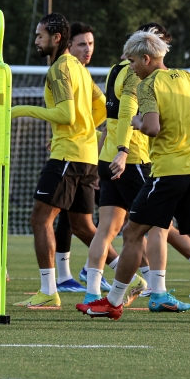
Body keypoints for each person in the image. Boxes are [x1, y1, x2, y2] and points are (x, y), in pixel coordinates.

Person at [77, 29, 190, 321]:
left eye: (133, 61)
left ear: (147, 58)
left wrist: (135, 121)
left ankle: (113, 301)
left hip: (169, 171)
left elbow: (152, 128)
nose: (131, 67)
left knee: (133, 232)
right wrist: (184, 110)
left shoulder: (148, 86)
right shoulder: (188, 78)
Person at [12, 13, 106, 308]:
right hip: (87, 155)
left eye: (40, 36)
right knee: (82, 226)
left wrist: (21, 109)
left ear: (56, 39)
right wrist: (85, 130)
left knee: (40, 219)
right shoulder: (79, 68)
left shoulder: (58, 70)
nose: (36, 41)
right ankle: (137, 276)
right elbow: (102, 109)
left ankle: (48, 291)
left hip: (67, 154)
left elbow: (65, 115)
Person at [81, 22, 165, 304]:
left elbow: (109, 117)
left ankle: (93, 290)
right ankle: (157, 290)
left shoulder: (114, 70)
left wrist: (101, 157)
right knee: (154, 226)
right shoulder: (135, 73)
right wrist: (123, 150)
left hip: (108, 157)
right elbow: (128, 111)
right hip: (132, 156)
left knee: (106, 229)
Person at [53, 21, 113, 292]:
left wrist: (83, 128)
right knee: (67, 217)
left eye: (90, 43)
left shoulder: (81, 74)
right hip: (75, 152)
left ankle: (126, 272)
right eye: (81, 44)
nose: (88, 49)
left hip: (82, 153)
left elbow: (98, 111)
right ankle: (63, 275)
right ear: (68, 45)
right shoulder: (64, 69)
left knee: (78, 220)